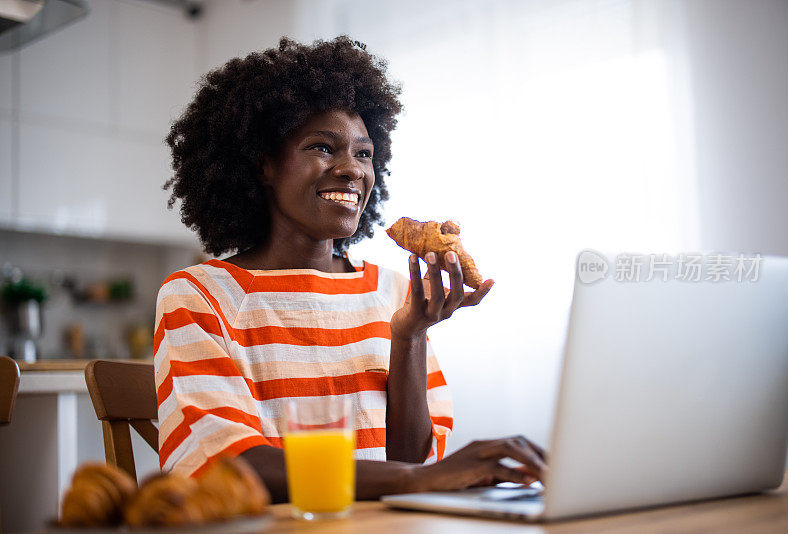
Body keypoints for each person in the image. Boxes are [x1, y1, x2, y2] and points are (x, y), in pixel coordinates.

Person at [156, 36, 546, 502]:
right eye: (322, 148)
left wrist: (409, 337)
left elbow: (408, 461)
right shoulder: (200, 295)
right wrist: (415, 480)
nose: (352, 170)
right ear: (262, 166)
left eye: (364, 154)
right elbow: (228, 465)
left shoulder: (394, 291)